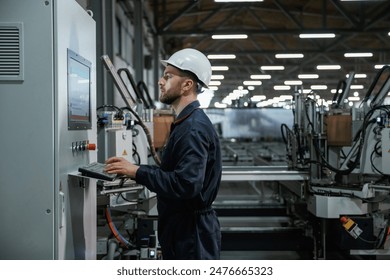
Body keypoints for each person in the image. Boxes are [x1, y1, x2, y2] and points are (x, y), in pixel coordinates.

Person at [105, 48, 222, 260]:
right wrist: (135, 170)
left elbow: (185, 184)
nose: (160, 81)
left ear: (187, 85)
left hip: (191, 235)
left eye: (168, 76)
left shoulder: (193, 129)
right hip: (183, 228)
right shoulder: (185, 122)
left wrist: (137, 171)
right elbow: (175, 173)